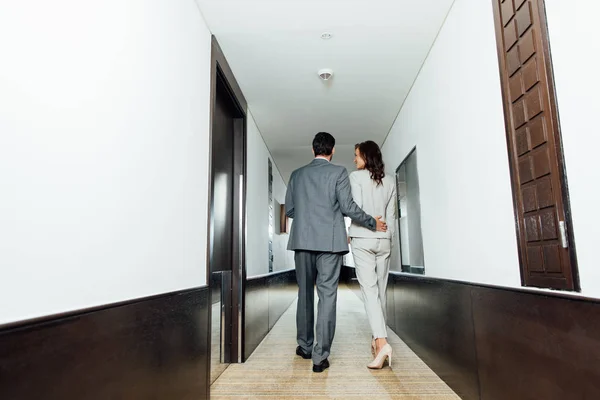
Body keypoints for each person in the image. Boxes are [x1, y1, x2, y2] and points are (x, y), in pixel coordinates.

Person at [285, 132, 387, 373]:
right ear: (332, 151)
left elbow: (290, 210)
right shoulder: (339, 172)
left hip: (302, 241)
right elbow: (348, 207)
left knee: (305, 294)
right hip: (330, 243)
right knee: (327, 296)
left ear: (313, 150)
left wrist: (308, 215)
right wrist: (371, 222)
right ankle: (320, 358)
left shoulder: (297, 175)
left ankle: (305, 347)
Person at [348, 140, 397, 369]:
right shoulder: (390, 181)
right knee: (381, 290)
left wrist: (370, 225)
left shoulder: (355, 177)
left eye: (357, 155)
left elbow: (356, 209)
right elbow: (391, 216)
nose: (354, 159)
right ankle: (377, 342)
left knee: (369, 292)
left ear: (366, 157)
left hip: (363, 239)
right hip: (384, 242)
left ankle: (382, 342)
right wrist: (388, 237)